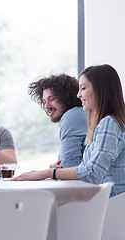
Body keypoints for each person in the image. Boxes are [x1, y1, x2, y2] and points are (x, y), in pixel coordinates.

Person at [13, 64, 125, 197]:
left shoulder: (109, 123)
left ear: (100, 90)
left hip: (109, 204)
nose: (79, 95)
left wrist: (48, 173)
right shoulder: (108, 122)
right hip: (109, 203)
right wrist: (57, 170)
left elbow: (93, 173)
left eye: (83, 88)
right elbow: (85, 167)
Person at [28, 74, 87, 168]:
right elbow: (65, 164)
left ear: (66, 98)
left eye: (51, 99)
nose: (46, 107)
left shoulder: (72, 116)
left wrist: (56, 172)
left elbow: (69, 165)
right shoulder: (80, 113)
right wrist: (59, 169)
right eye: (44, 101)